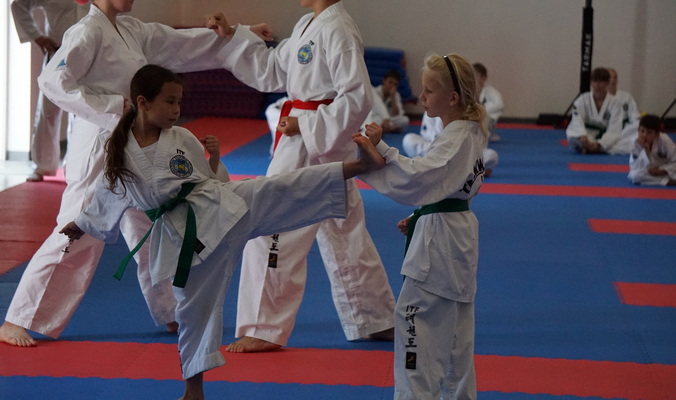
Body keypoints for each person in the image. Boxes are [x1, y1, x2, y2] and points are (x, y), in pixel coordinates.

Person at [58, 64, 387, 400]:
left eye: (179, 102)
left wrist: (214, 159)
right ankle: (193, 390)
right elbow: (105, 197)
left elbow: (212, 180)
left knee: (279, 186)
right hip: (184, 238)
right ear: (143, 102)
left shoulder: (181, 137)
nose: (176, 110)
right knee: (192, 312)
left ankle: (361, 165)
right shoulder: (120, 152)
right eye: (169, 102)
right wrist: (81, 225)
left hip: (221, 206)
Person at [0, 0, 263, 347]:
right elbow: (52, 81)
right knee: (80, 228)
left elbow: (178, 44)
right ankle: (19, 318)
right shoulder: (87, 31)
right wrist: (112, 106)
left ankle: (171, 310)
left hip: (136, 139)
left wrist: (240, 37)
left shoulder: (131, 29)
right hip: (99, 141)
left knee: (152, 224)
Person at [207, 0, 396, 354]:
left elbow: (357, 98)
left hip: (310, 140)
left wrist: (305, 124)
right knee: (344, 231)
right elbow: (272, 69)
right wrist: (232, 36)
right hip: (312, 137)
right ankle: (375, 317)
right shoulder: (307, 24)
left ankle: (265, 327)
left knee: (270, 224)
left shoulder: (339, 29)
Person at [359, 53, 485, 399]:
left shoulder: (457, 138)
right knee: (456, 338)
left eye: (429, 90)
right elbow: (447, 188)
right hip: (454, 232)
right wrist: (422, 215)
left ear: (452, 98)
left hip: (441, 245)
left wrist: (381, 151)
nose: (422, 96)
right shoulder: (469, 131)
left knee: (415, 324)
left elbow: (419, 178)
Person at [10, 0, 89, 181]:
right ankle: (43, 166)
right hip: (57, 53)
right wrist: (37, 36)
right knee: (48, 112)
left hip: (87, 55)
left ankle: (75, 167)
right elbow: (18, 5)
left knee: (81, 112)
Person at [566, 67, 633, 155]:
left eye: (601, 82)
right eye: (595, 81)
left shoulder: (615, 103)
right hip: (586, 136)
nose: (597, 85)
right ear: (591, 82)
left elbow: (615, 129)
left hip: (606, 138)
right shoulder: (582, 100)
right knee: (571, 135)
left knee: (627, 142)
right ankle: (590, 146)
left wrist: (600, 144)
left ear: (607, 83)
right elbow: (577, 121)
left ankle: (593, 148)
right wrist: (582, 136)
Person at [629, 114, 676, 187]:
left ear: (657, 134)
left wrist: (663, 170)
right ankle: (673, 182)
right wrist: (646, 150)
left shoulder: (665, 140)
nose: (644, 135)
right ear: (638, 130)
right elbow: (635, 167)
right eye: (642, 131)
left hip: (664, 169)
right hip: (647, 171)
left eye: (649, 132)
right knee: (635, 176)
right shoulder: (634, 142)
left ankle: (663, 179)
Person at [473, 62, 504, 141]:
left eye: (477, 76)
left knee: (482, 116)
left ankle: (486, 133)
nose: (475, 79)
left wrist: (481, 108)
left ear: (484, 78)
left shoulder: (491, 91)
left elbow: (499, 104)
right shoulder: (467, 90)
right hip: (471, 120)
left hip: (486, 121)